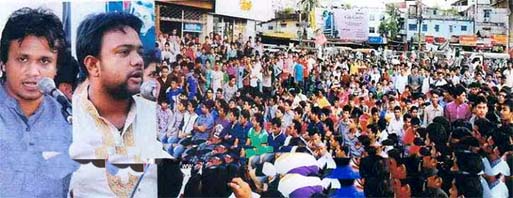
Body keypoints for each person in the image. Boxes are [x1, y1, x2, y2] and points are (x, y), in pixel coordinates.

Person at [69, 12, 169, 197]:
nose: (138, 61)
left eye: (139, 52)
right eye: (124, 52)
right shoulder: (69, 120)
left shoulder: (146, 110)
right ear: (93, 65)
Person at [0, 7, 78, 197]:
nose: (33, 72)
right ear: (3, 63)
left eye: (44, 61)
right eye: (22, 59)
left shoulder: (69, 120)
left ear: (56, 68)